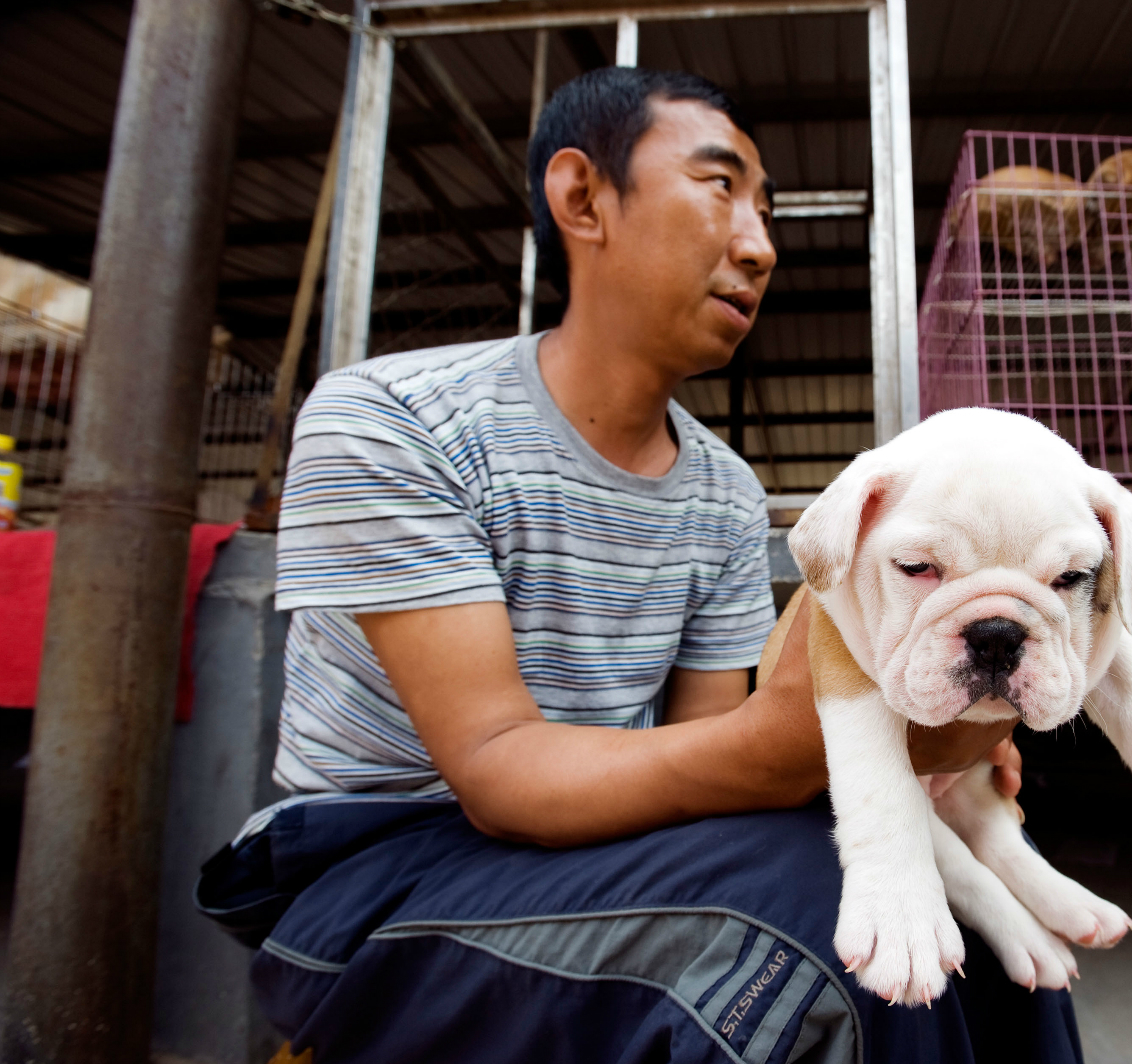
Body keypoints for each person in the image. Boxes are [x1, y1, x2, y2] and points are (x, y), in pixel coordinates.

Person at [199, 66, 1083, 1063]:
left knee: (974, 896)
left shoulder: (722, 490)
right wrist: (799, 744)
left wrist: (900, 753)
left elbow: (709, 752)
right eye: (720, 187)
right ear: (583, 198)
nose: (759, 243)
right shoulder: (394, 418)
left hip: (595, 848)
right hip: (374, 872)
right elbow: (497, 768)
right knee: (829, 920)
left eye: (766, 210)